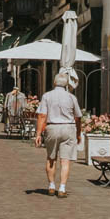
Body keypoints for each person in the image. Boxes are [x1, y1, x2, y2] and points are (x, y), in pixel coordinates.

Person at [34, 70, 83, 198]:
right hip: (68, 128)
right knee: (65, 161)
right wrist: (78, 133)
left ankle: (51, 186)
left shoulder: (47, 96)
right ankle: (62, 188)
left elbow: (42, 115)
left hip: (52, 128)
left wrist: (38, 134)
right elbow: (78, 117)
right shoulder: (72, 97)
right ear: (66, 84)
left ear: (54, 82)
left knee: (51, 158)